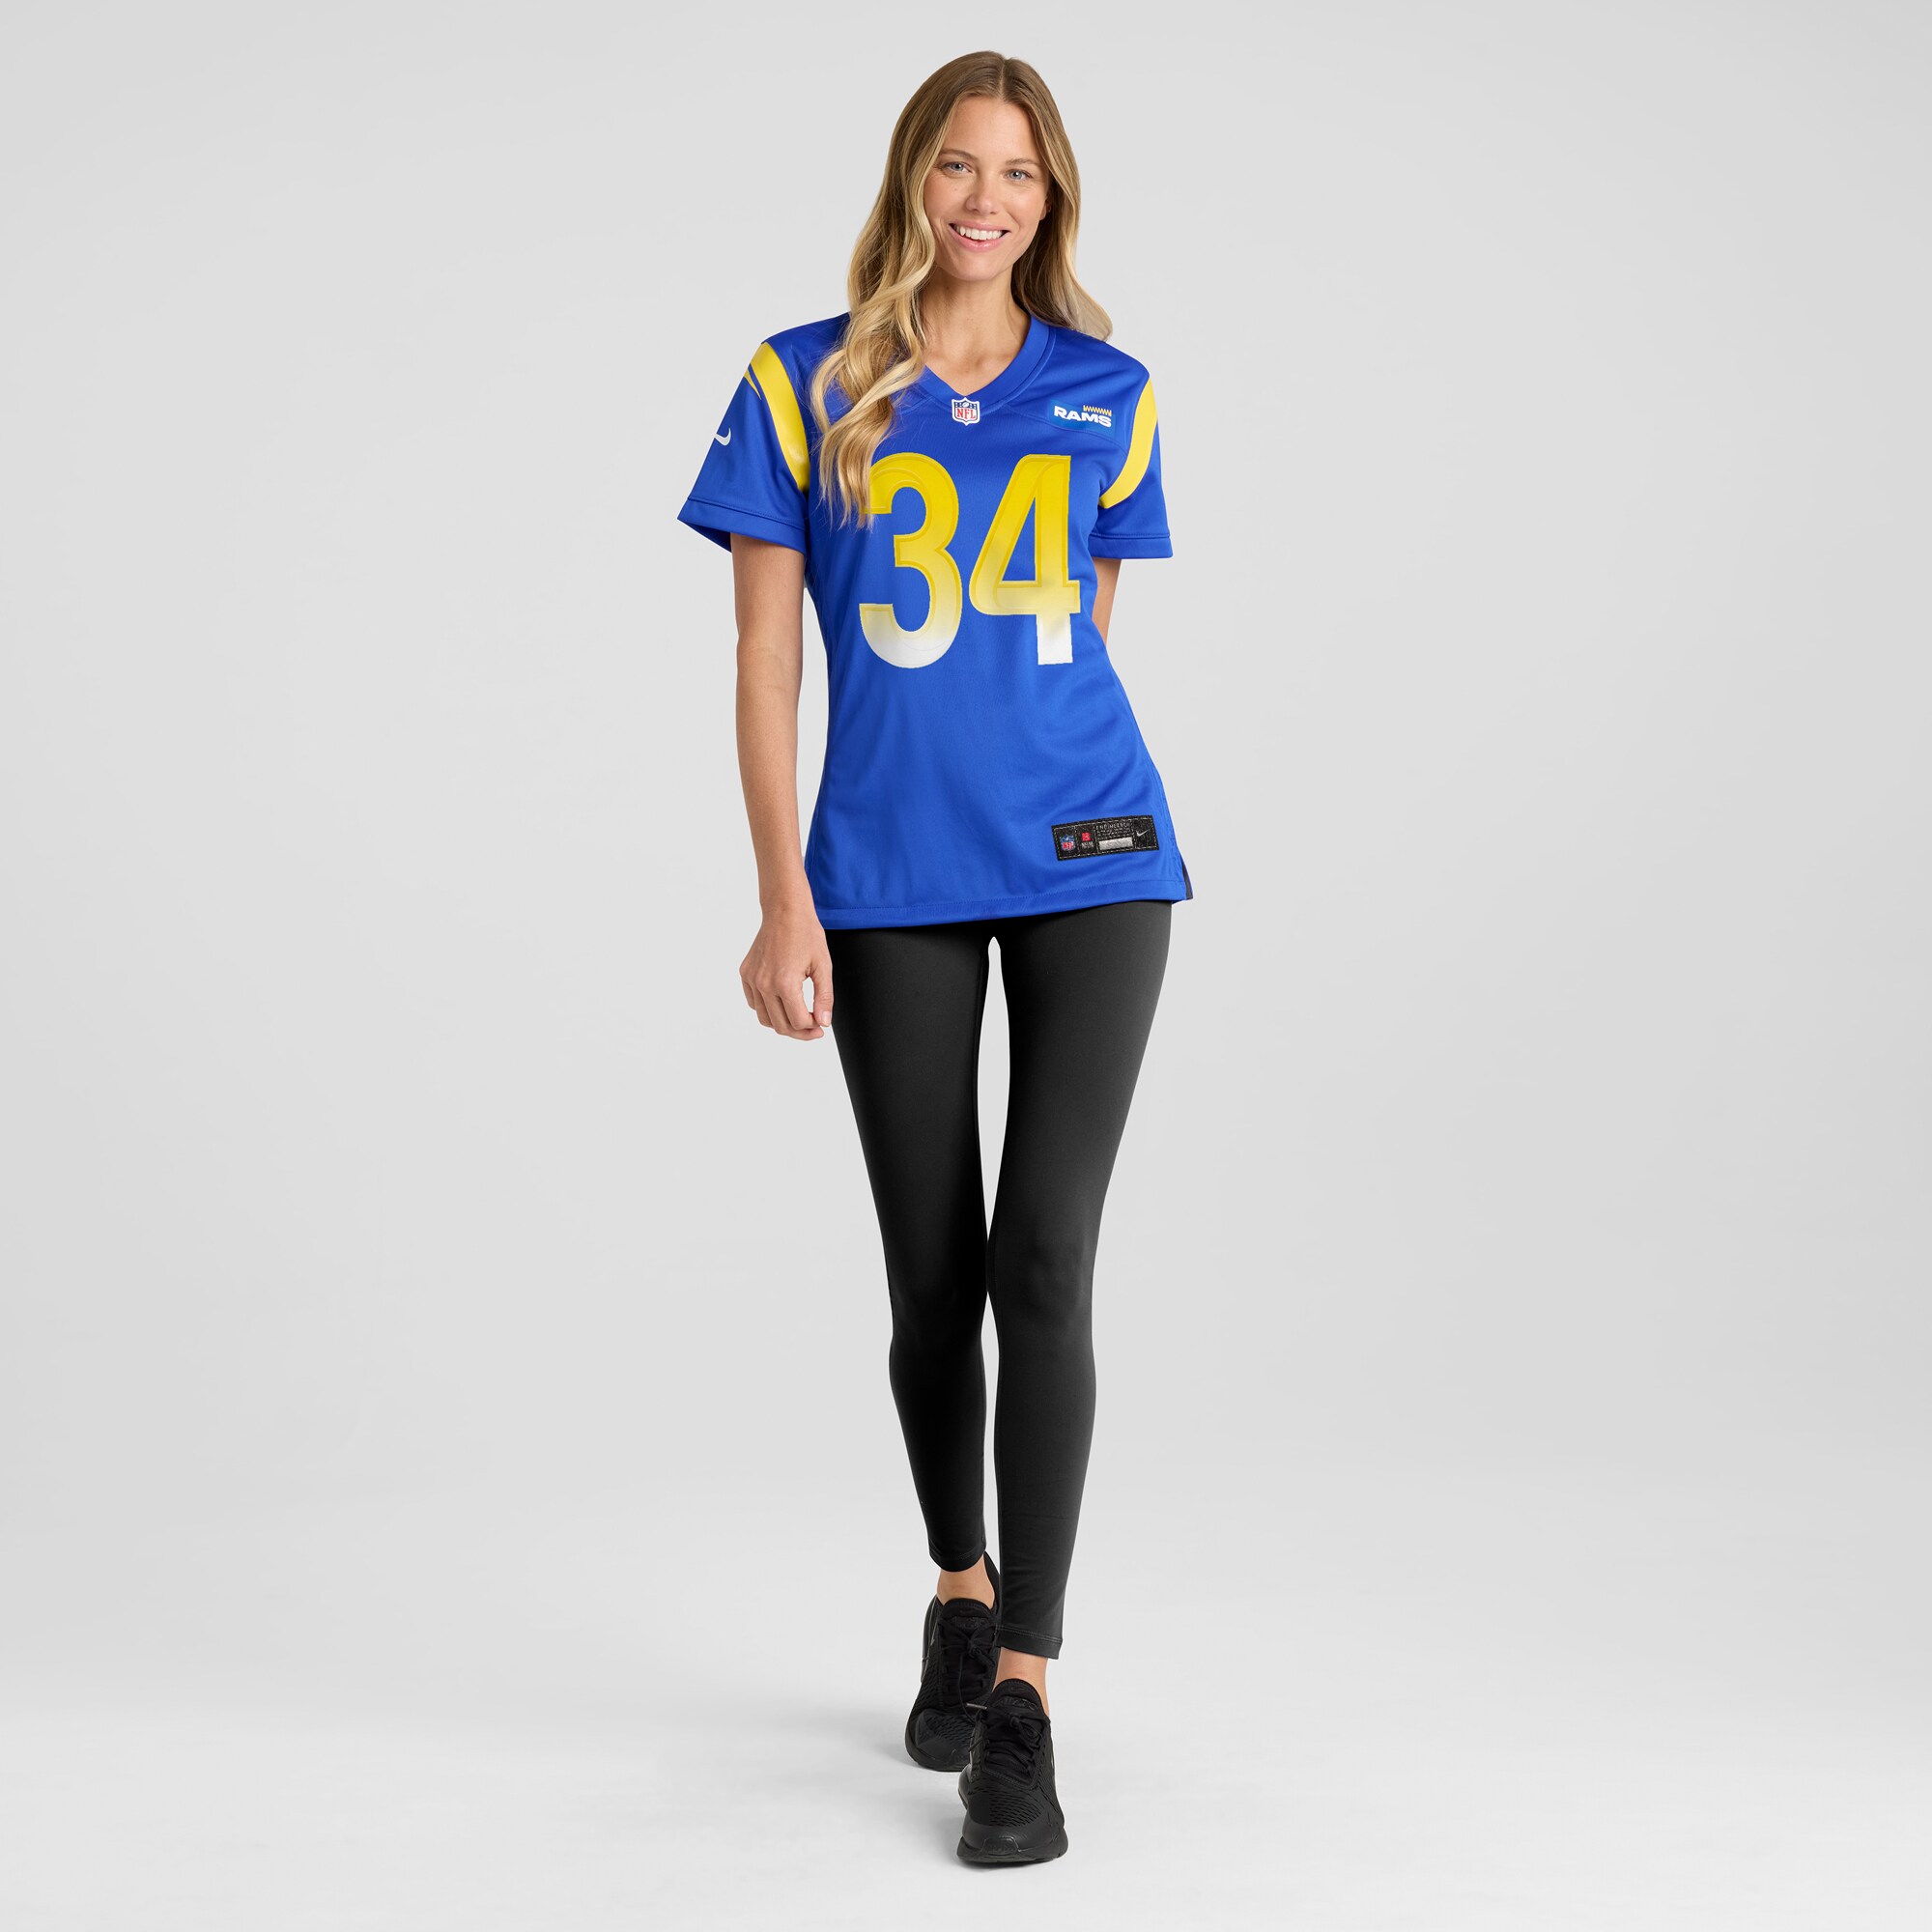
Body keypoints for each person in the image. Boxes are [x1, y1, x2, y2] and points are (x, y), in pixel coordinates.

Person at [675, 48, 1192, 1867]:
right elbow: (768, 662)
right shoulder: (799, 382)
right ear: (913, 179)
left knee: (1046, 1253)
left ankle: (1025, 1693)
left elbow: (1078, 645)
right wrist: (782, 895)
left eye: (1021, 174)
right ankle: (959, 1589)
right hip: (884, 872)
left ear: (1054, 202)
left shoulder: (1110, 392)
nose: (988, 200)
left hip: (1094, 859)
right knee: (934, 1272)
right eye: (961, 166)